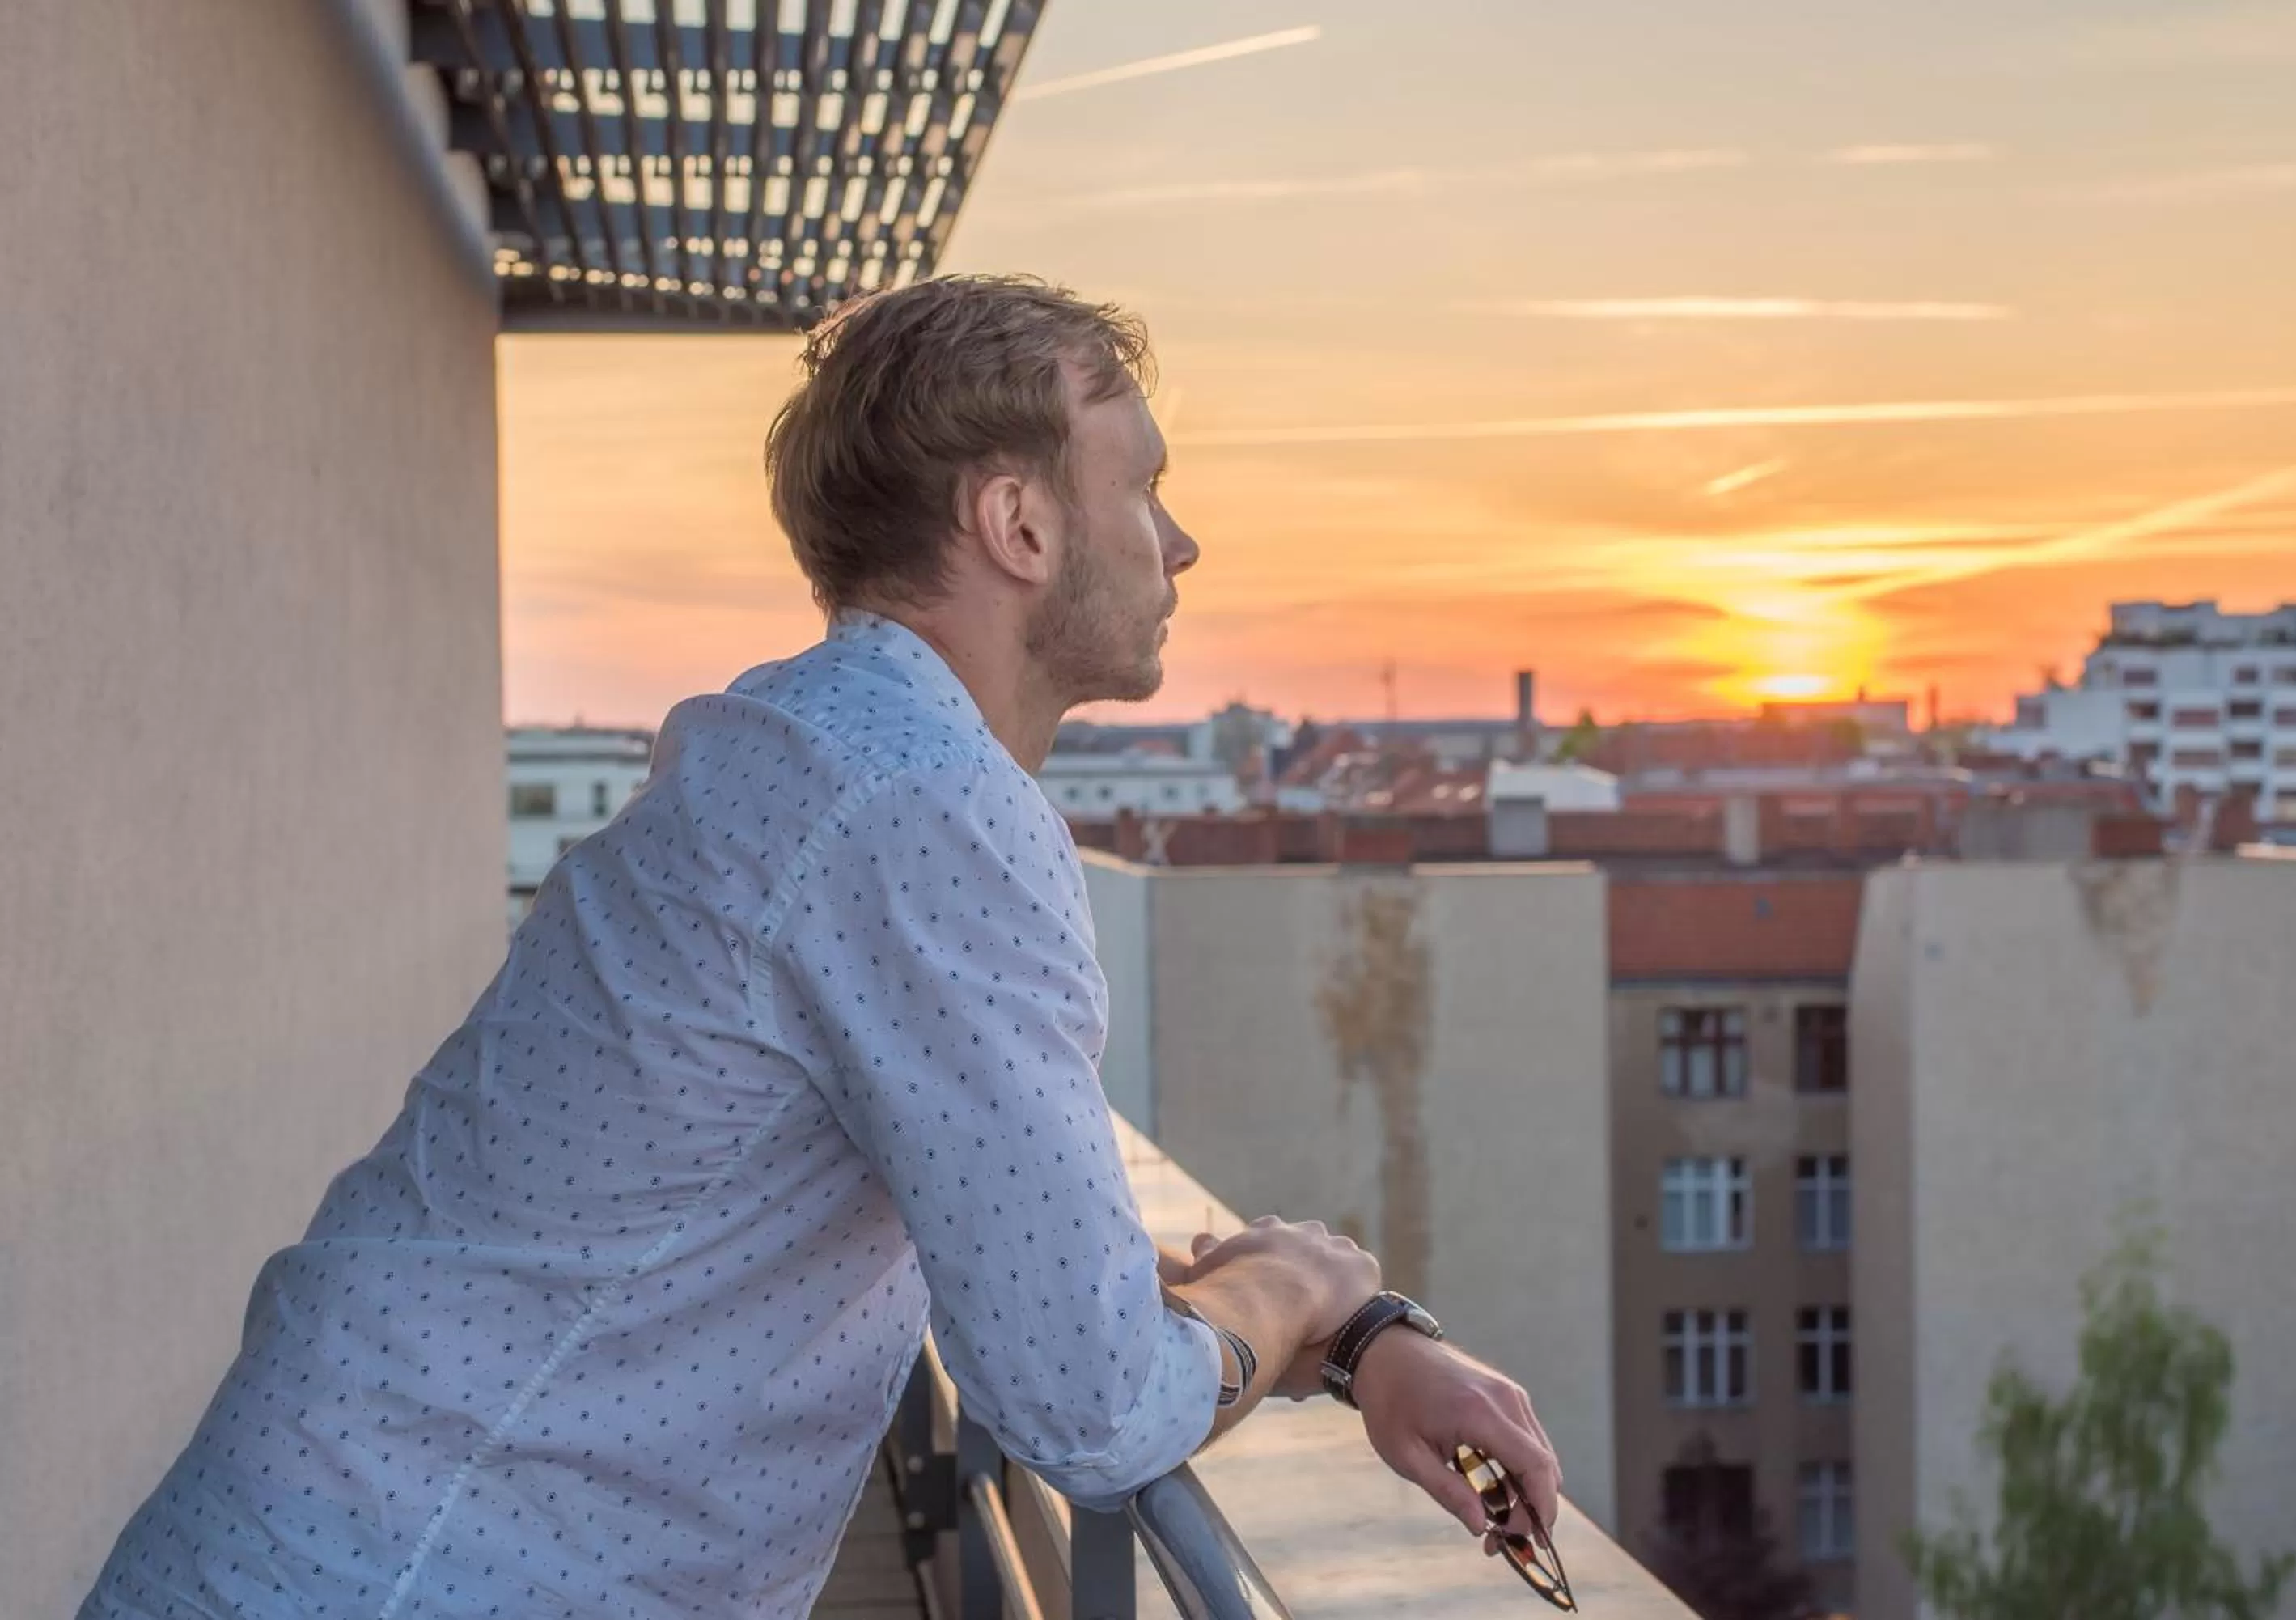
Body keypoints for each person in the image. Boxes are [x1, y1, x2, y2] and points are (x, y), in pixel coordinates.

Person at [80, 274, 1561, 1618]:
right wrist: (1305, 1279)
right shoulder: (924, 808)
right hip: (421, 1575)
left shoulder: (806, 751)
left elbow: (1032, 1258)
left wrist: (1362, 1334)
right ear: (1019, 524)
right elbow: (1092, 1403)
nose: (1180, 538)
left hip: (332, 1544)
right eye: (1147, 483)